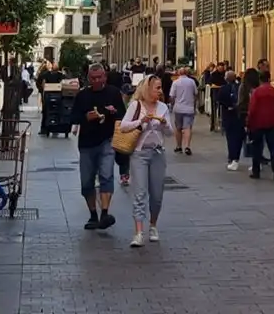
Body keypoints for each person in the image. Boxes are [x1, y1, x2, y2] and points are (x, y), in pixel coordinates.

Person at [118, 75, 174, 247]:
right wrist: (141, 121)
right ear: (147, 89)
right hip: (139, 154)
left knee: (156, 195)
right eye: (157, 88)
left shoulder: (163, 107)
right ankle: (138, 232)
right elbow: (123, 126)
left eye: (160, 88)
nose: (160, 91)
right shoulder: (136, 105)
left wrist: (164, 124)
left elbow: (170, 133)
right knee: (140, 193)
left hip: (157, 153)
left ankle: (153, 225)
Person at [72, 64, 123, 230]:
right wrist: (86, 117)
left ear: (105, 77)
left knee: (106, 175)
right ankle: (93, 214)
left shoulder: (113, 93)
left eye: (99, 77)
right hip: (86, 143)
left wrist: (113, 112)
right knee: (87, 181)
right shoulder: (82, 95)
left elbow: (122, 115)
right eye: (93, 78)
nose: (96, 81)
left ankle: (105, 213)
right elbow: (73, 116)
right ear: (88, 78)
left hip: (107, 140)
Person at [246, 69, 274, 181]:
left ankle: (256, 171)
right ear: (269, 79)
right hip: (273, 122)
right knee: (273, 147)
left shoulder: (256, 92)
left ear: (260, 80)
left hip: (258, 122)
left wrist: (249, 123)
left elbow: (252, 109)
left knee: (257, 147)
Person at [217, 69, 243, 170]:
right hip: (239, 115)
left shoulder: (223, 88)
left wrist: (227, 106)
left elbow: (219, 100)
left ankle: (232, 157)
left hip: (228, 116)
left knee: (230, 138)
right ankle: (236, 157)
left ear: (226, 78)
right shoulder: (240, 87)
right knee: (238, 138)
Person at [168, 66, 198, 155]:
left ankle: (179, 146)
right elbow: (195, 94)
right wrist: (194, 105)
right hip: (189, 108)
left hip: (178, 108)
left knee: (178, 128)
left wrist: (172, 105)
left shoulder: (175, 82)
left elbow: (172, 96)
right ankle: (187, 146)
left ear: (178, 73)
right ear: (186, 73)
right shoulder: (192, 82)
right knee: (187, 128)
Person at [37, 61, 64, 136]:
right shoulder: (59, 75)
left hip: (48, 96)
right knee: (52, 112)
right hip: (55, 96)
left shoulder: (47, 74)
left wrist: (42, 90)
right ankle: (52, 129)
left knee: (47, 112)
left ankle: (45, 129)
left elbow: (41, 83)